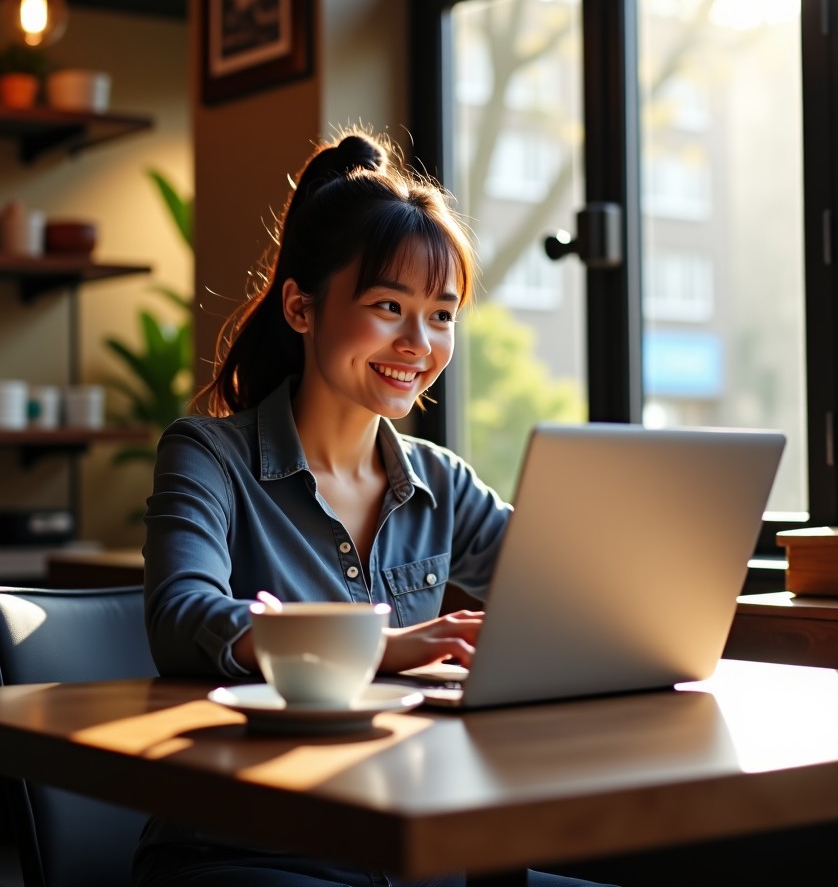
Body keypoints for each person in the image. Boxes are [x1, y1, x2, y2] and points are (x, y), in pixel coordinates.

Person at [134, 128, 613, 887]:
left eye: (442, 314)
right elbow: (180, 616)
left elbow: (569, 598)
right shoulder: (207, 455)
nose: (418, 343)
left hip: (410, 845)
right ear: (300, 307)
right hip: (247, 848)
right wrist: (375, 648)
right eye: (389, 305)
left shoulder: (441, 482)